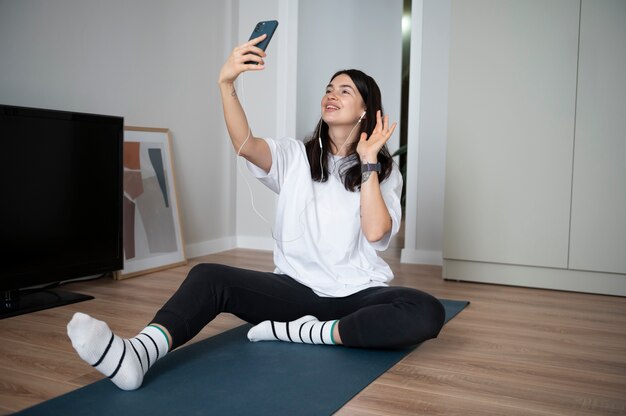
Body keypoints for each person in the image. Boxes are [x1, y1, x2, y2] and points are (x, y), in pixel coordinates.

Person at [66, 34, 445, 391]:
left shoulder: (383, 171)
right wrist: (226, 83)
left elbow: (377, 233)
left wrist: (367, 164)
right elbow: (245, 144)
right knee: (208, 275)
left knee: (425, 310)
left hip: (355, 295)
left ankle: (300, 332)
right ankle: (138, 353)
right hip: (295, 291)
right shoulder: (294, 155)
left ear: (367, 110)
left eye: (345, 90)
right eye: (329, 88)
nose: (332, 94)